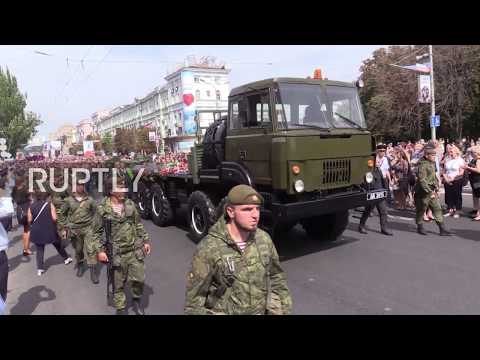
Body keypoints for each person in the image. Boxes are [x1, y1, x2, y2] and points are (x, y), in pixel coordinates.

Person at [184, 184, 293, 315]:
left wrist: (283, 310)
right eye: (247, 210)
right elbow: (194, 302)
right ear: (231, 211)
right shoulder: (209, 248)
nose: (255, 215)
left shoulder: (263, 239)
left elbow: (277, 277)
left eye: (257, 209)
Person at [90, 178, 151, 315]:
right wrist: (100, 251)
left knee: (139, 279)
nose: (124, 190)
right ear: (112, 191)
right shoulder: (102, 209)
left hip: (134, 251)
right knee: (118, 285)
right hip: (116, 254)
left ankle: (136, 300)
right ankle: (121, 309)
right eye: (120, 187)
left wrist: (146, 240)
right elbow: (95, 233)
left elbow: (138, 224)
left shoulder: (130, 204)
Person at [58, 181, 98, 282]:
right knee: (78, 250)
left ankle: (93, 272)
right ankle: (80, 265)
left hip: (88, 228)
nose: (80, 187)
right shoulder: (68, 200)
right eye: (78, 185)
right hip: (75, 230)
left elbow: (96, 213)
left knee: (91, 249)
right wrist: (64, 227)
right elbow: (62, 214)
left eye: (82, 185)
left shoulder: (90, 200)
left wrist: (95, 226)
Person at [27, 189, 73, 276]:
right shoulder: (49, 205)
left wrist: (32, 224)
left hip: (37, 231)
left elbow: (29, 219)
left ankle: (40, 269)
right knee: (57, 244)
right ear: (45, 197)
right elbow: (55, 218)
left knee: (40, 249)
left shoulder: (31, 206)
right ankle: (66, 259)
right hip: (49, 229)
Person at [415, 147, 452, 236]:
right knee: (421, 209)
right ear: (426, 155)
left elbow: (433, 176)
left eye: (435, 155)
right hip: (423, 192)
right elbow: (422, 181)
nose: (434, 157)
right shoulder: (422, 165)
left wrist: (437, 188)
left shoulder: (432, 163)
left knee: (437, 208)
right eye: (432, 155)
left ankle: (442, 229)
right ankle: (420, 226)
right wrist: (429, 192)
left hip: (431, 190)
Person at [358, 160, 392, 236]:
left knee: (383, 211)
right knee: (368, 210)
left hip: (380, 193)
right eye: (376, 161)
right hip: (373, 194)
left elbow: (383, 181)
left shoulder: (378, 169)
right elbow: (369, 183)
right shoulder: (368, 171)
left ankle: (384, 228)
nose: (378, 162)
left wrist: (385, 191)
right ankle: (361, 226)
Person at [442, 145, 465, 219]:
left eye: (451, 151)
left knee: (457, 196)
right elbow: (444, 171)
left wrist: (453, 178)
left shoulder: (460, 160)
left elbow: (461, 172)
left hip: (457, 180)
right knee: (449, 195)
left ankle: (458, 210)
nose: (450, 153)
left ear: (456, 152)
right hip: (447, 180)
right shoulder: (447, 159)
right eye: (450, 151)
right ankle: (450, 209)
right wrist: (446, 178)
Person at [11, 175, 32, 256]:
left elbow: (13, 199)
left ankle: (26, 248)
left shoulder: (13, 190)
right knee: (28, 230)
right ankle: (26, 249)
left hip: (19, 210)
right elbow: (30, 197)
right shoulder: (25, 189)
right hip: (26, 209)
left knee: (25, 230)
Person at [465, 146, 480, 221]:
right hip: (473, 180)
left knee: (478, 195)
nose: (472, 153)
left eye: (473, 152)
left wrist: (468, 168)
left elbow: (478, 170)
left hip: (478, 180)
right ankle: (477, 211)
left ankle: (479, 213)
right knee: (475, 195)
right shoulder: (473, 159)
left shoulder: (478, 160)